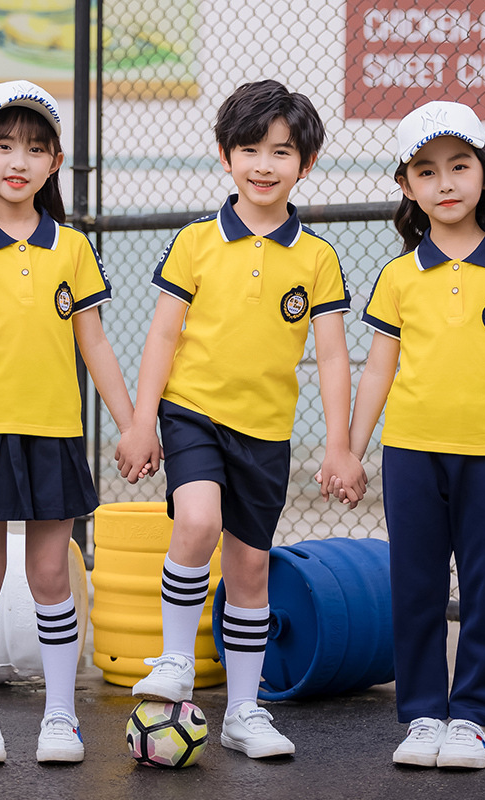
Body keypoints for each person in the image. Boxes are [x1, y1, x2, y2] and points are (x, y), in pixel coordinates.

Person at [115, 79, 367, 759]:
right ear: (225, 156)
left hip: (265, 431)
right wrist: (142, 422)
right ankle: (174, 662)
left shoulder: (316, 257)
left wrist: (340, 445)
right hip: (192, 412)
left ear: (305, 164)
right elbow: (162, 337)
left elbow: (335, 357)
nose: (264, 164)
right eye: (249, 148)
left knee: (251, 569)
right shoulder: (196, 242)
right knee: (196, 522)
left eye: (280, 152)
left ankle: (245, 714)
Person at [0, 80, 157, 764]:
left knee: (52, 576)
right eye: (3, 144)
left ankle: (61, 716)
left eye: (35, 147)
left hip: (54, 436)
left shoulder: (72, 249)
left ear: (55, 163)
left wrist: (134, 423)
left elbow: (97, 344)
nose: (18, 160)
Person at [348, 100, 485, 770]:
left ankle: (468, 719)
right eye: (426, 170)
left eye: (459, 165)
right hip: (412, 452)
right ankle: (420, 717)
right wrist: (350, 450)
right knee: (415, 587)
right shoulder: (399, 275)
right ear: (407, 186)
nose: (445, 182)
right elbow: (378, 368)